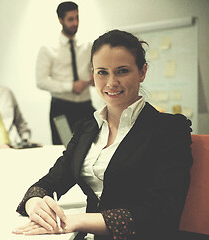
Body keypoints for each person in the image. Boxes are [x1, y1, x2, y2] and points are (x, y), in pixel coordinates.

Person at [13, 30, 193, 240]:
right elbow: (51, 181)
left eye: (122, 71)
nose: (111, 82)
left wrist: (76, 221)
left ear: (142, 72)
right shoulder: (87, 129)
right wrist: (34, 202)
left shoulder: (169, 129)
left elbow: (160, 213)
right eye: (102, 72)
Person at [36, 1, 95, 145]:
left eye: (77, 18)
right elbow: (41, 81)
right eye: (70, 19)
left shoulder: (87, 45)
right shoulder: (48, 48)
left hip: (85, 105)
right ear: (60, 20)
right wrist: (70, 86)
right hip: (62, 108)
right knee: (64, 150)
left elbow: (92, 71)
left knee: (91, 146)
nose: (75, 23)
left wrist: (95, 78)